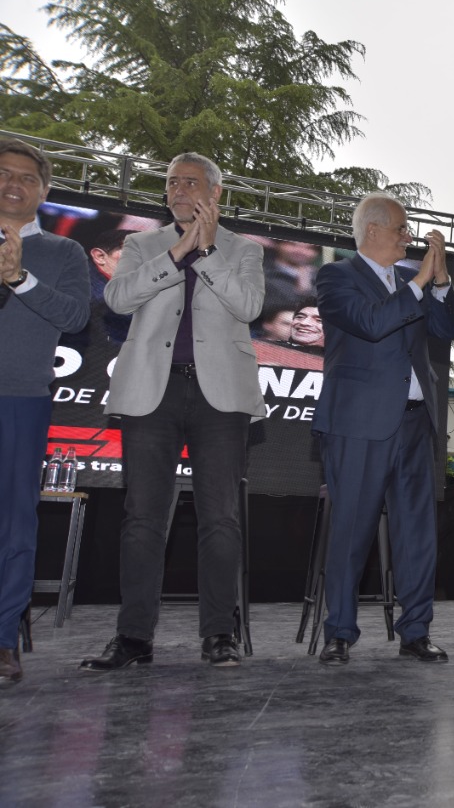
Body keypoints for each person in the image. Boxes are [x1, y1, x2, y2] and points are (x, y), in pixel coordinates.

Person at [82, 152, 265, 672]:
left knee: (220, 518)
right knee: (143, 517)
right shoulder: (142, 244)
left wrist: (204, 252)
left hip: (220, 396)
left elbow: (249, 307)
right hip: (151, 393)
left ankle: (219, 634)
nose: (179, 190)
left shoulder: (244, 249)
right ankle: (134, 637)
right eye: (171, 182)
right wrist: (178, 250)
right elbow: (119, 298)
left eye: (190, 182)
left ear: (215, 193)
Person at [311, 192, 454, 666]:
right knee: (351, 530)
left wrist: (439, 282)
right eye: (401, 229)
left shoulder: (408, 281)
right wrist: (418, 283)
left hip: (414, 424)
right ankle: (340, 632)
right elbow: (371, 322)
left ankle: (416, 631)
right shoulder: (336, 276)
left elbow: (446, 329)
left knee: (417, 533)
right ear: (372, 230)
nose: (407, 237)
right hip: (358, 424)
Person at [0, 138, 90, 686]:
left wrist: (19, 278)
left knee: (14, 524)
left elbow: (76, 316)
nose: (14, 183)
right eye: (4, 173)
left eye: (27, 177)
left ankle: (2, 640)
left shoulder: (64, 253)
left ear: (44, 190)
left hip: (21, 397)